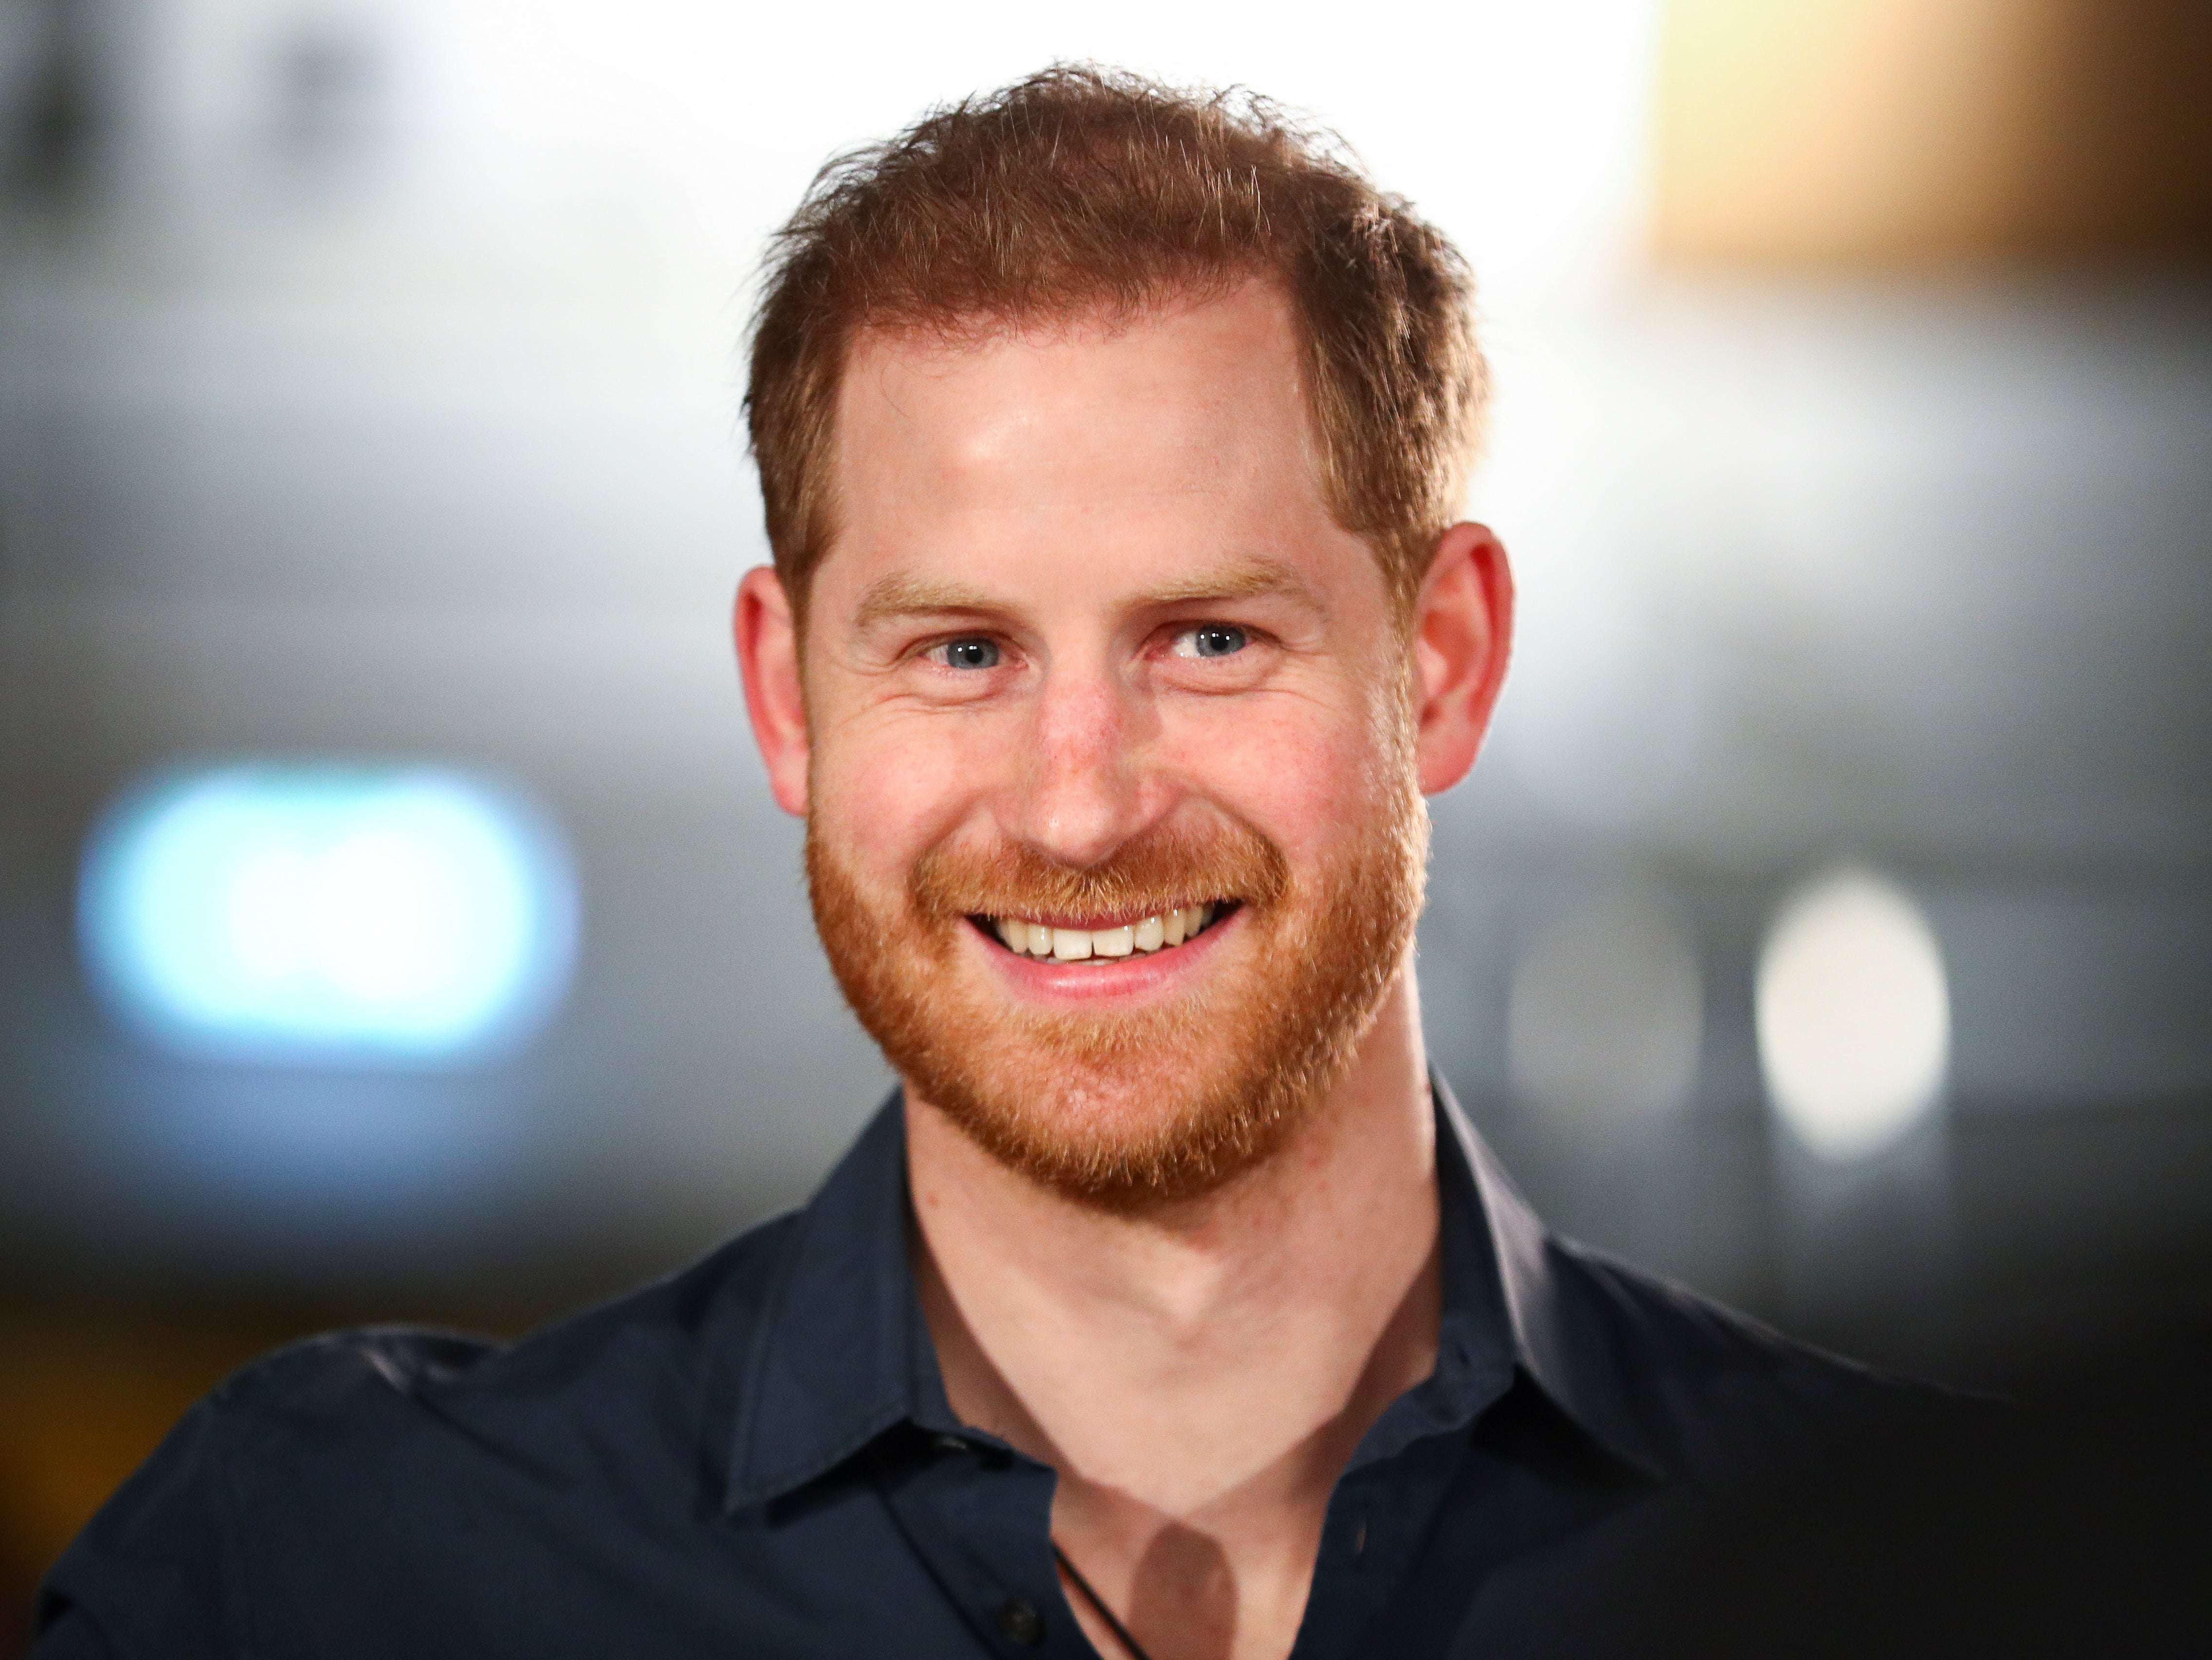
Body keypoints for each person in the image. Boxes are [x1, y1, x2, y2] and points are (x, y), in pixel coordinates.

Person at [30, 67, 1945, 1660]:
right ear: (787, 701)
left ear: (1437, 661)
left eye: (1206, 639)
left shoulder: (1942, 1585)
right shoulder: (334, 1576)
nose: (1079, 804)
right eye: (962, 653)